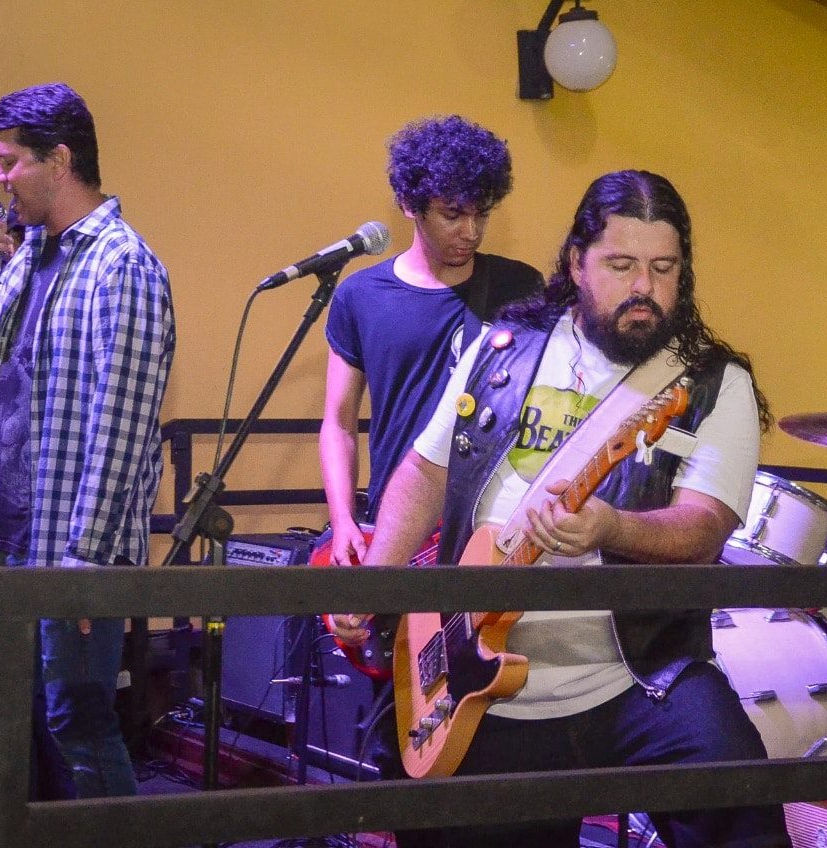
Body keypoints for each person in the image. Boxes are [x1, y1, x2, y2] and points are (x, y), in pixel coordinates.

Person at [335, 170, 789, 847]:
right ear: (577, 262)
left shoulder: (712, 382)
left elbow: (703, 526)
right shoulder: (503, 351)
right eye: (622, 265)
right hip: (479, 678)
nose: (645, 288)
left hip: (638, 674)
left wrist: (612, 527)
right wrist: (377, 581)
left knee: (738, 795)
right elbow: (425, 471)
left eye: (664, 268)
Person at [0, 82, 176, 798]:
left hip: (74, 548)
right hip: (15, 531)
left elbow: (122, 427)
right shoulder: (33, 254)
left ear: (58, 159)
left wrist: (87, 563)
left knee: (77, 722)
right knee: (21, 723)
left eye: (7, 160)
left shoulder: (124, 265)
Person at [318, 115, 542, 566]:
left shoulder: (520, 288)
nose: (471, 232)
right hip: (400, 524)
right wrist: (343, 520)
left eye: (481, 214)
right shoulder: (360, 296)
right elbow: (339, 424)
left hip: (492, 524)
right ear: (409, 204)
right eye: (453, 214)